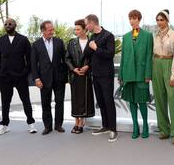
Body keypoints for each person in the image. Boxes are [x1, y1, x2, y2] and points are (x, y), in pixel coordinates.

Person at [0, 18, 37, 135]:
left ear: (15, 25)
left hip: (20, 76)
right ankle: (4, 124)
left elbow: (29, 59)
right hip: (5, 77)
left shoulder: (23, 40)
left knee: (25, 100)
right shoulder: (0, 40)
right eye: (6, 24)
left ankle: (31, 123)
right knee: (5, 102)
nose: (7, 25)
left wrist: (25, 72)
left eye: (10, 24)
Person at [119, 9, 153, 139]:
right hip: (128, 74)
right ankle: (135, 126)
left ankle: (145, 125)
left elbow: (149, 56)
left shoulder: (148, 36)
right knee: (132, 101)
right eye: (130, 18)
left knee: (142, 101)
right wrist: (121, 75)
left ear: (139, 19)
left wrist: (148, 74)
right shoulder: (126, 37)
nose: (132, 21)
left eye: (134, 18)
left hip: (141, 74)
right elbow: (123, 57)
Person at [84, 14, 118, 142]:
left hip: (106, 75)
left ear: (93, 23)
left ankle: (113, 130)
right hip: (95, 74)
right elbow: (87, 53)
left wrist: (96, 48)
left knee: (108, 102)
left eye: (87, 24)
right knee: (101, 101)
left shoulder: (108, 36)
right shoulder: (92, 36)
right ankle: (105, 126)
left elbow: (110, 54)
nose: (86, 27)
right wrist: (90, 46)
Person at [31, 20, 67, 135]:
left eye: (52, 29)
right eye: (50, 30)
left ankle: (58, 125)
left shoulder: (59, 42)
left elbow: (65, 60)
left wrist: (65, 76)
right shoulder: (36, 45)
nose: (52, 31)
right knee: (45, 103)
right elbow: (33, 63)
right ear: (43, 30)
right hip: (44, 79)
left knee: (59, 102)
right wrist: (36, 78)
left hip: (59, 78)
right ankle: (47, 126)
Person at [152, 9, 174, 144]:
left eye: (162, 20)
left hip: (169, 63)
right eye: (158, 20)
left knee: (172, 99)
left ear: (167, 20)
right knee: (159, 99)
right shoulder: (155, 35)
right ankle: (164, 130)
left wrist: (173, 75)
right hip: (156, 64)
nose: (159, 22)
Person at [65, 19, 94, 134]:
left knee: (85, 99)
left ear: (85, 29)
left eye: (78, 29)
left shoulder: (92, 41)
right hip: (75, 75)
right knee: (75, 99)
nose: (76, 31)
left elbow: (94, 58)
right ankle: (76, 121)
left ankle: (81, 122)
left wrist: (88, 66)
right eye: (75, 29)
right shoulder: (72, 43)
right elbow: (67, 58)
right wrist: (74, 69)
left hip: (87, 76)